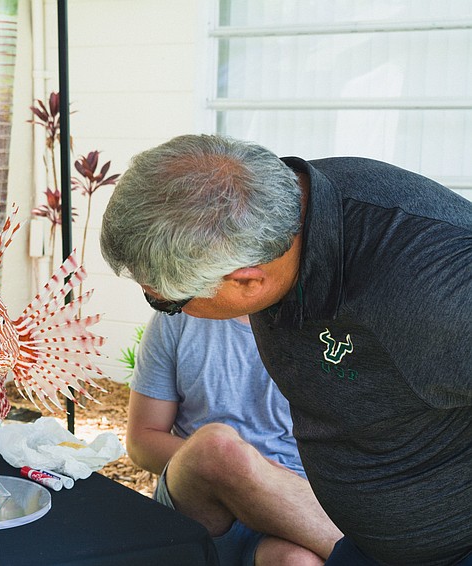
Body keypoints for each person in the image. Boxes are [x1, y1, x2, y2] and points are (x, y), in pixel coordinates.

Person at [100, 134, 472, 565]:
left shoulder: (439, 290)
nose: (167, 312)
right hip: (366, 540)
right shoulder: (281, 209)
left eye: (166, 301)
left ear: (248, 280)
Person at [129, 312, 341, 565]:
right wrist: (247, 469)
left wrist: (266, 481)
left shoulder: (332, 327)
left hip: (295, 512)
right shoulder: (176, 316)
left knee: (297, 562)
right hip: (200, 505)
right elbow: (141, 440)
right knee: (217, 447)